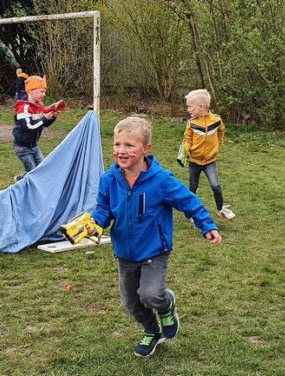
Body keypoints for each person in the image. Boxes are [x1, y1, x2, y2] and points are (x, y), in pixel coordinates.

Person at [88, 116, 222, 357]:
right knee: (131, 303)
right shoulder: (109, 180)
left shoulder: (161, 181)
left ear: (146, 149)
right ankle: (152, 330)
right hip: (125, 253)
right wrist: (96, 224)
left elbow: (188, 201)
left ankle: (166, 303)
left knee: (150, 295)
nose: (122, 150)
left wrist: (206, 224)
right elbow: (103, 209)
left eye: (130, 145)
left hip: (154, 251)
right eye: (118, 144)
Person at [182, 89, 235, 219]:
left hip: (210, 161)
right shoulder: (191, 123)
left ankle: (220, 209)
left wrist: (218, 144)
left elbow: (221, 131)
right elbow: (187, 139)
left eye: (190, 107)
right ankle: (191, 212)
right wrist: (186, 149)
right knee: (193, 187)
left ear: (201, 107)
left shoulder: (216, 120)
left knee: (215, 185)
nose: (188, 110)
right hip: (194, 161)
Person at [12, 75, 63, 181]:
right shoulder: (23, 108)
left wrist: (52, 116)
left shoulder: (40, 106)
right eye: (41, 91)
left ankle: (21, 179)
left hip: (34, 145)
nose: (44, 95)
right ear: (30, 92)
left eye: (44, 91)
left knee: (42, 169)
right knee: (34, 174)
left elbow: (43, 124)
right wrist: (45, 117)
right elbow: (29, 127)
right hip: (23, 148)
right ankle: (24, 187)